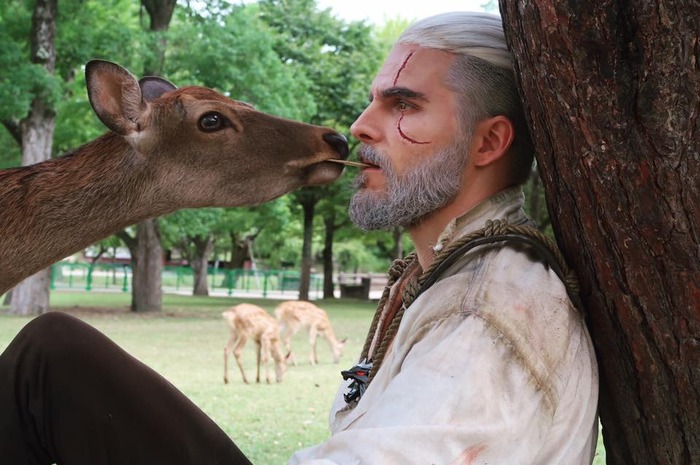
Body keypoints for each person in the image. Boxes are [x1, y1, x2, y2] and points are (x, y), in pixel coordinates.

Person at [0, 11, 598, 465]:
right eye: (372, 101)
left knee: (51, 357)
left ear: (488, 144)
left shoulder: (489, 312)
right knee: (54, 355)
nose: (361, 126)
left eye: (403, 105)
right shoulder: (444, 276)